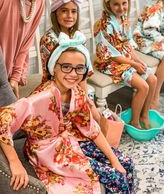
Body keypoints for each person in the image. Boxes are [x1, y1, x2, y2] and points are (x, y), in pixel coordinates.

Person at [0, 32, 134, 193]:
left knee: (126, 163)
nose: (72, 74)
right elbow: (3, 120)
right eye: (66, 67)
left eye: (79, 68)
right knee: (115, 178)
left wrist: (114, 160)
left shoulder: (76, 92)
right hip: (47, 151)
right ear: (54, 68)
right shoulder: (41, 97)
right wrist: (15, 162)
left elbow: (92, 129)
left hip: (70, 139)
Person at [94, 0, 157, 129]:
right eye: (116, 4)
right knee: (143, 87)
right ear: (108, 4)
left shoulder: (123, 19)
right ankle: (134, 121)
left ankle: (145, 114)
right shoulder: (106, 25)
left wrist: (139, 61)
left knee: (153, 79)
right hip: (110, 62)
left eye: (124, 3)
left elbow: (127, 45)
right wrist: (133, 64)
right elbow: (110, 54)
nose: (121, 8)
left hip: (125, 57)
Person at [40, 0, 100, 122]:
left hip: (76, 81)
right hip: (57, 86)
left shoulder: (78, 36)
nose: (70, 16)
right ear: (55, 13)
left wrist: (85, 97)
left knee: (93, 112)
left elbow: (82, 70)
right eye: (64, 11)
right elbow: (54, 75)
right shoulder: (48, 40)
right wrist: (82, 97)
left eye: (74, 12)